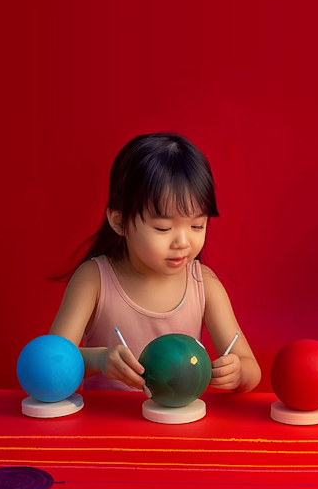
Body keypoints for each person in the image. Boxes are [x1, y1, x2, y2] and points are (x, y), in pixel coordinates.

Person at [49, 132, 261, 393]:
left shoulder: (204, 283)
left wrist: (238, 373)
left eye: (197, 225)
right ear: (119, 221)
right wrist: (100, 360)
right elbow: (50, 361)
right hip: (105, 426)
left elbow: (252, 369)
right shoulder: (94, 279)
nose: (182, 241)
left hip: (178, 428)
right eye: (162, 228)